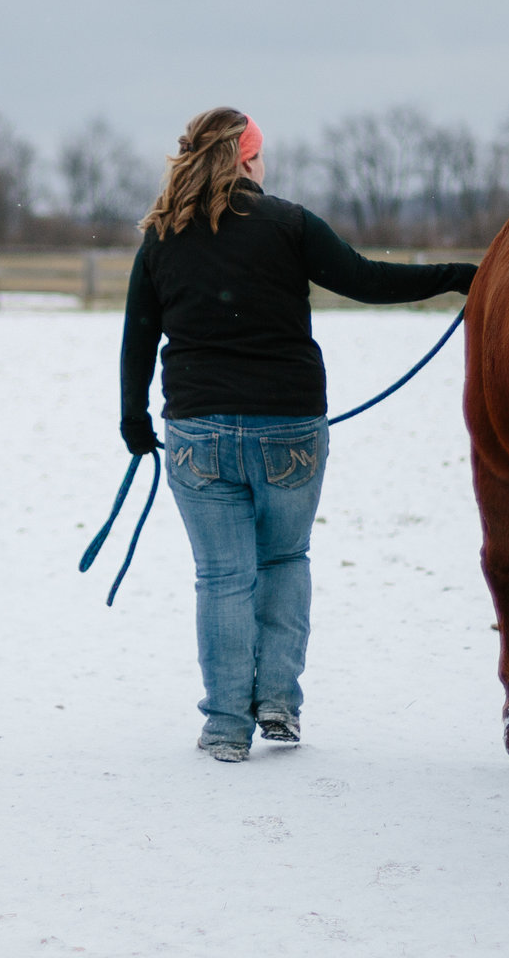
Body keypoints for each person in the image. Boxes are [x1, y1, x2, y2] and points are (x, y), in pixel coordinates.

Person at [119, 107, 475, 762]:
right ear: (247, 159)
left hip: (197, 433)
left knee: (222, 576)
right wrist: (456, 276)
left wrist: (133, 419)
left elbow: (139, 333)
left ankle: (227, 725)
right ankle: (278, 699)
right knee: (284, 559)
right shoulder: (287, 223)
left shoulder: (162, 236)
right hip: (289, 430)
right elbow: (367, 280)